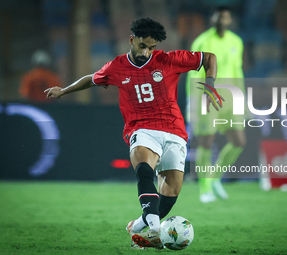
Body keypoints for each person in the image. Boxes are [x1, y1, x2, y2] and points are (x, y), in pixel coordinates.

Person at [44, 17, 220, 249]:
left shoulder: (168, 60)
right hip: (141, 128)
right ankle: (155, 230)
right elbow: (92, 79)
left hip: (174, 131)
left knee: (171, 192)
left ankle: (137, 226)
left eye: (151, 47)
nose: (147, 52)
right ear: (131, 40)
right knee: (144, 168)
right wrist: (63, 91)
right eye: (143, 46)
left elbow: (209, 58)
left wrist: (210, 86)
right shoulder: (116, 67)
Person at [186, 6, 246, 203]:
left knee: (238, 141)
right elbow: (193, 73)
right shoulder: (203, 41)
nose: (223, 20)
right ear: (213, 18)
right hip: (208, 97)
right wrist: (196, 100)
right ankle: (205, 189)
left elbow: (238, 72)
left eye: (226, 17)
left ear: (230, 20)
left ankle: (214, 178)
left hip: (230, 98)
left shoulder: (236, 42)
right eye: (219, 16)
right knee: (206, 142)